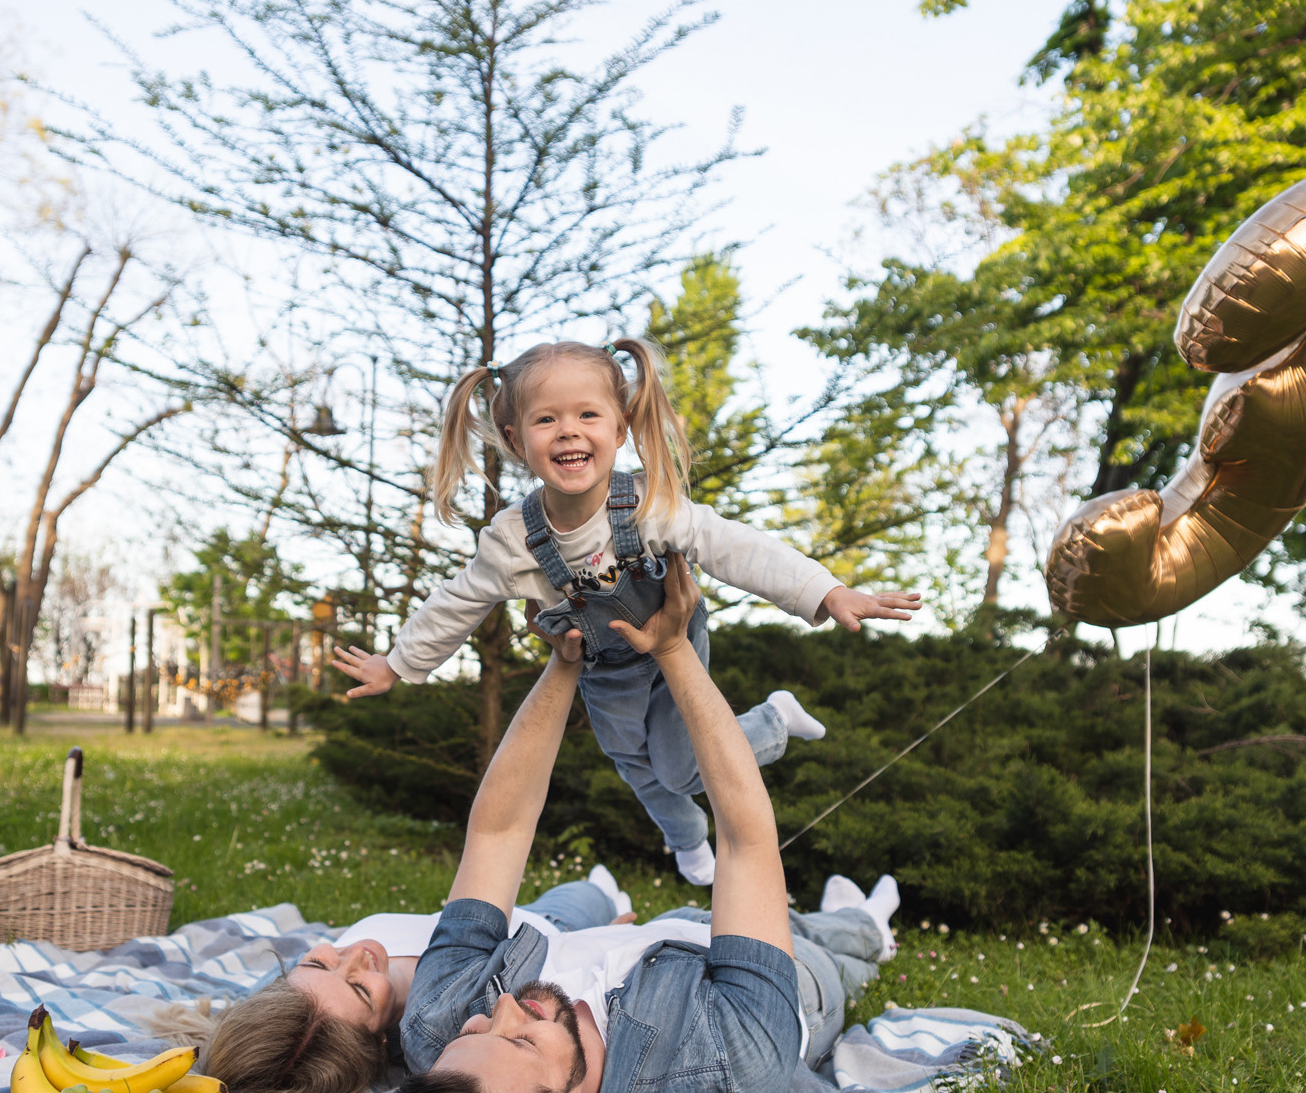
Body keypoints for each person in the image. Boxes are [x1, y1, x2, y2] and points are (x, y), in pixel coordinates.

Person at [376, 555, 899, 1093]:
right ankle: (869, 927)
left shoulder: (437, 1033)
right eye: (522, 1039)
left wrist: (564, 661)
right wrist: (675, 650)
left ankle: (843, 919)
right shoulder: (731, 1068)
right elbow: (744, 842)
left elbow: (497, 832)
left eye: (476, 1030)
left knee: (708, 917)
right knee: (826, 952)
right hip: (788, 989)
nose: (504, 1006)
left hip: (659, 939)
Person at [330, 339, 921, 885]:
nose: (568, 430)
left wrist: (823, 591)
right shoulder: (512, 540)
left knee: (679, 768)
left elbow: (733, 545)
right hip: (604, 667)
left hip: (671, 649)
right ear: (515, 439)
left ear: (620, 428)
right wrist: (399, 663)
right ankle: (686, 838)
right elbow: (457, 602)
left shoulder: (648, 504)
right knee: (631, 762)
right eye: (546, 419)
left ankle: (773, 720)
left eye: (587, 415)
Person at [195, 869, 634, 1093]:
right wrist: (604, 937)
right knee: (599, 894)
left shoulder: (301, 997)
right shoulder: (451, 1015)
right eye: (361, 990)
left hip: (529, 907)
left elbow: (271, 1030)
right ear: (381, 1043)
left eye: (317, 963)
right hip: (557, 929)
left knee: (590, 887)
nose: (354, 956)